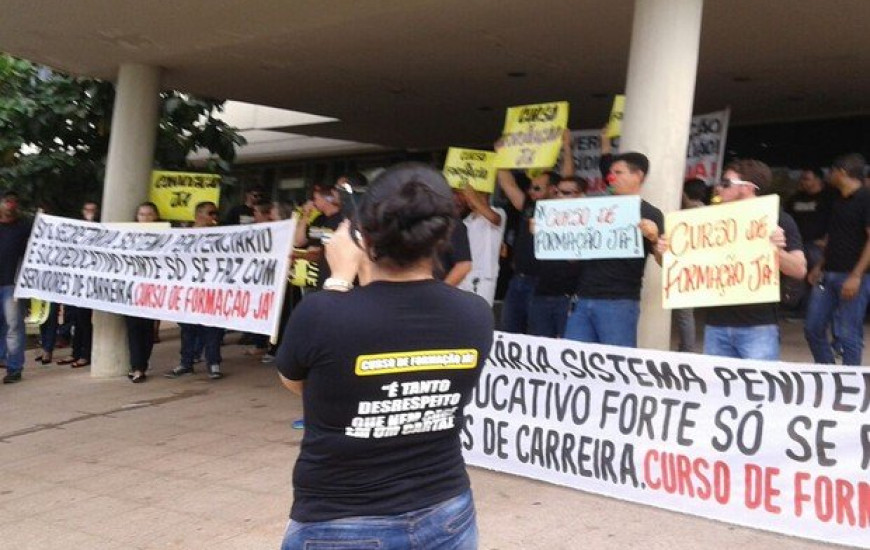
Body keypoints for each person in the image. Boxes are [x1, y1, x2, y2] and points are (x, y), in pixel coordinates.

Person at [276, 162, 493, 549]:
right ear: (443, 235)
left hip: (339, 520)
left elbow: (299, 385)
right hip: (446, 511)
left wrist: (339, 277)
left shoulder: (324, 312)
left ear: (363, 236)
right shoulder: (475, 313)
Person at [664, 159, 805, 360]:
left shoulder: (778, 219)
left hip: (758, 326)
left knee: (758, 389)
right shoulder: (710, 221)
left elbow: (799, 269)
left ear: (748, 188)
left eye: (726, 183)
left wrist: (775, 251)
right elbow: (686, 265)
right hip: (716, 325)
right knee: (717, 390)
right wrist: (667, 250)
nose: (718, 188)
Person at [563, 152, 664, 347]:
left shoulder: (651, 213)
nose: (611, 177)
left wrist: (654, 238)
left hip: (619, 302)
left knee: (615, 367)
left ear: (638, 176)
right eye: (611, 172)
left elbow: (665, 261)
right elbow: (574, 257)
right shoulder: (596, 208)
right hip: (583, 298)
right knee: (573, 364)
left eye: (618, 172)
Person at [495, 130, 574, 333]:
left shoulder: (559, 209)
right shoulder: (527, 205)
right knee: (509, 332)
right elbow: (508, 183)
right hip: (517, 280)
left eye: (537, 188)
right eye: (531, 187)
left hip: (540, 282)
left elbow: (567, 178)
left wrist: (566, 146)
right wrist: (500, 154)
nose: (531, 191)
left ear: (553, 190)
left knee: (535, 336)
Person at [804, 153, 870, 365]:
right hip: (828, 273)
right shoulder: (838, 200)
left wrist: (857, 275)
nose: (828, 176)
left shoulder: (866, 198)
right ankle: (829, 374)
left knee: (848, 333)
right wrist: (820, 266)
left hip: (853, 276)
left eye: (831, 171)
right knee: (813, 328)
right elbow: (833, 237)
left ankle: (850, 384)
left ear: (842, 172)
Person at [165, 201, 225, 380]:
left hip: (211, 289)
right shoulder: (184, 236)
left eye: (216, 214)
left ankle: (213, 363)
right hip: (189, 290)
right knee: (188, 328)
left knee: (212, 327)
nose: (214, 217)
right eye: (211, 213)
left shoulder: (220, 236)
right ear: (198, 216)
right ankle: (186, 362)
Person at [527, 176, 585, 338]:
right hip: (542, 292)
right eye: (557, 192)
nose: (559, 196)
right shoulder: (546, 217)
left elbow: (578, 260)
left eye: (566, 192)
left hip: (570, 296)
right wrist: (536, 235)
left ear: (581, 196)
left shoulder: (589, 221)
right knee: (540, 348)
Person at [57, 200, 99, 369]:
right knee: (74, 318)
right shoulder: (76, 229)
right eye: (87, 210)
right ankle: (75, 352)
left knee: (84, 320)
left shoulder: (98, 229)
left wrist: (90, 224)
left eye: (93, 210)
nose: (90, 212)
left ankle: (85, 354)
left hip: (88, 283)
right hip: (74, 281)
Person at [672, 178, 710, 352]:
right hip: (695, 267)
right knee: (685, 314)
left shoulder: (691, 211)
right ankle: (686, 348)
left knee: (684, 314)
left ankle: (687, 349)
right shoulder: (706, 211)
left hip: (688, 268)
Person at [125, 202, 161, 383]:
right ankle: (137, 366)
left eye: (149, 214)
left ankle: (141, 364)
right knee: (133, 328)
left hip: (152, 290)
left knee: (147, 329)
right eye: (141, 214)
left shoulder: (165, 235)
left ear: (156, 216)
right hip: (132, 290)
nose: (145, 218)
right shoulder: (128, 236)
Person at [0, 191, 32, 384]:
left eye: (13, 202)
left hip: (12, 284)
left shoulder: (23, 228)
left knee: (13, 326)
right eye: (6, 201)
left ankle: (14, 367)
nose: (10, 205)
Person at [455, 185, 505, 303]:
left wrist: (472, 196)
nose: (470, 199)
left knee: (480, 316)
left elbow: (494, 218)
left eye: (478, 195)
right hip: (464, 276)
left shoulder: (499, 213)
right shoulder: (465, 222)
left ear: (486, 195)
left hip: (484, 278)